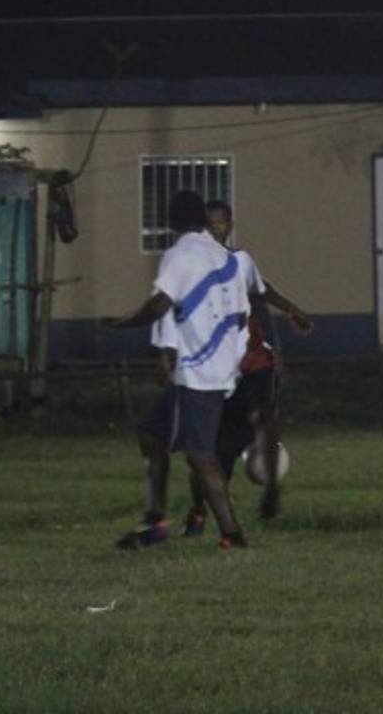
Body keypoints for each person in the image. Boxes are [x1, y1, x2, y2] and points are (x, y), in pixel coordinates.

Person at [106, 190, 249, 550]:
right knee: (152, 433)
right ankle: (155, 520)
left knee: (201, 454)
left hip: (198, 372)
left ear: (171, 222)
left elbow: (160, 305)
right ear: (202, 218)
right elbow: (237, 312)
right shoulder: (223, 256)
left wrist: (121, 324)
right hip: (217, 365)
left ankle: (233, 535)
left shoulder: (181, 254)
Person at [180, 200, 314, 531]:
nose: (214, 230)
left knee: (264, 417)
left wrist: (293, 310)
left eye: (220, 224)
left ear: (229, 226)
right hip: (216, 371)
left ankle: (272, 491)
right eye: (207, 225)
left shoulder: (241, 261)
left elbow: (262, 290)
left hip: (254, 359)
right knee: (215, 453)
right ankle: (198, 510)